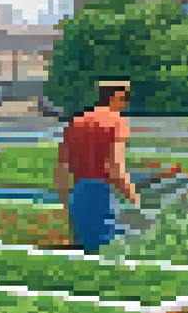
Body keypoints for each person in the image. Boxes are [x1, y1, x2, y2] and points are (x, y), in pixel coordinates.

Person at [55, 80, 139, 254]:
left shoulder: (75, 122)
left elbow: (62, 168)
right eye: (126, 98)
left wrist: (66, 202)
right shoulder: (116, 121)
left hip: (78, 194)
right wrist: (134, 198)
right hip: (103, 195)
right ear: (116, 96)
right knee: (108, 254)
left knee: (84, 253)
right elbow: (114, 165)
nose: (127, 103)